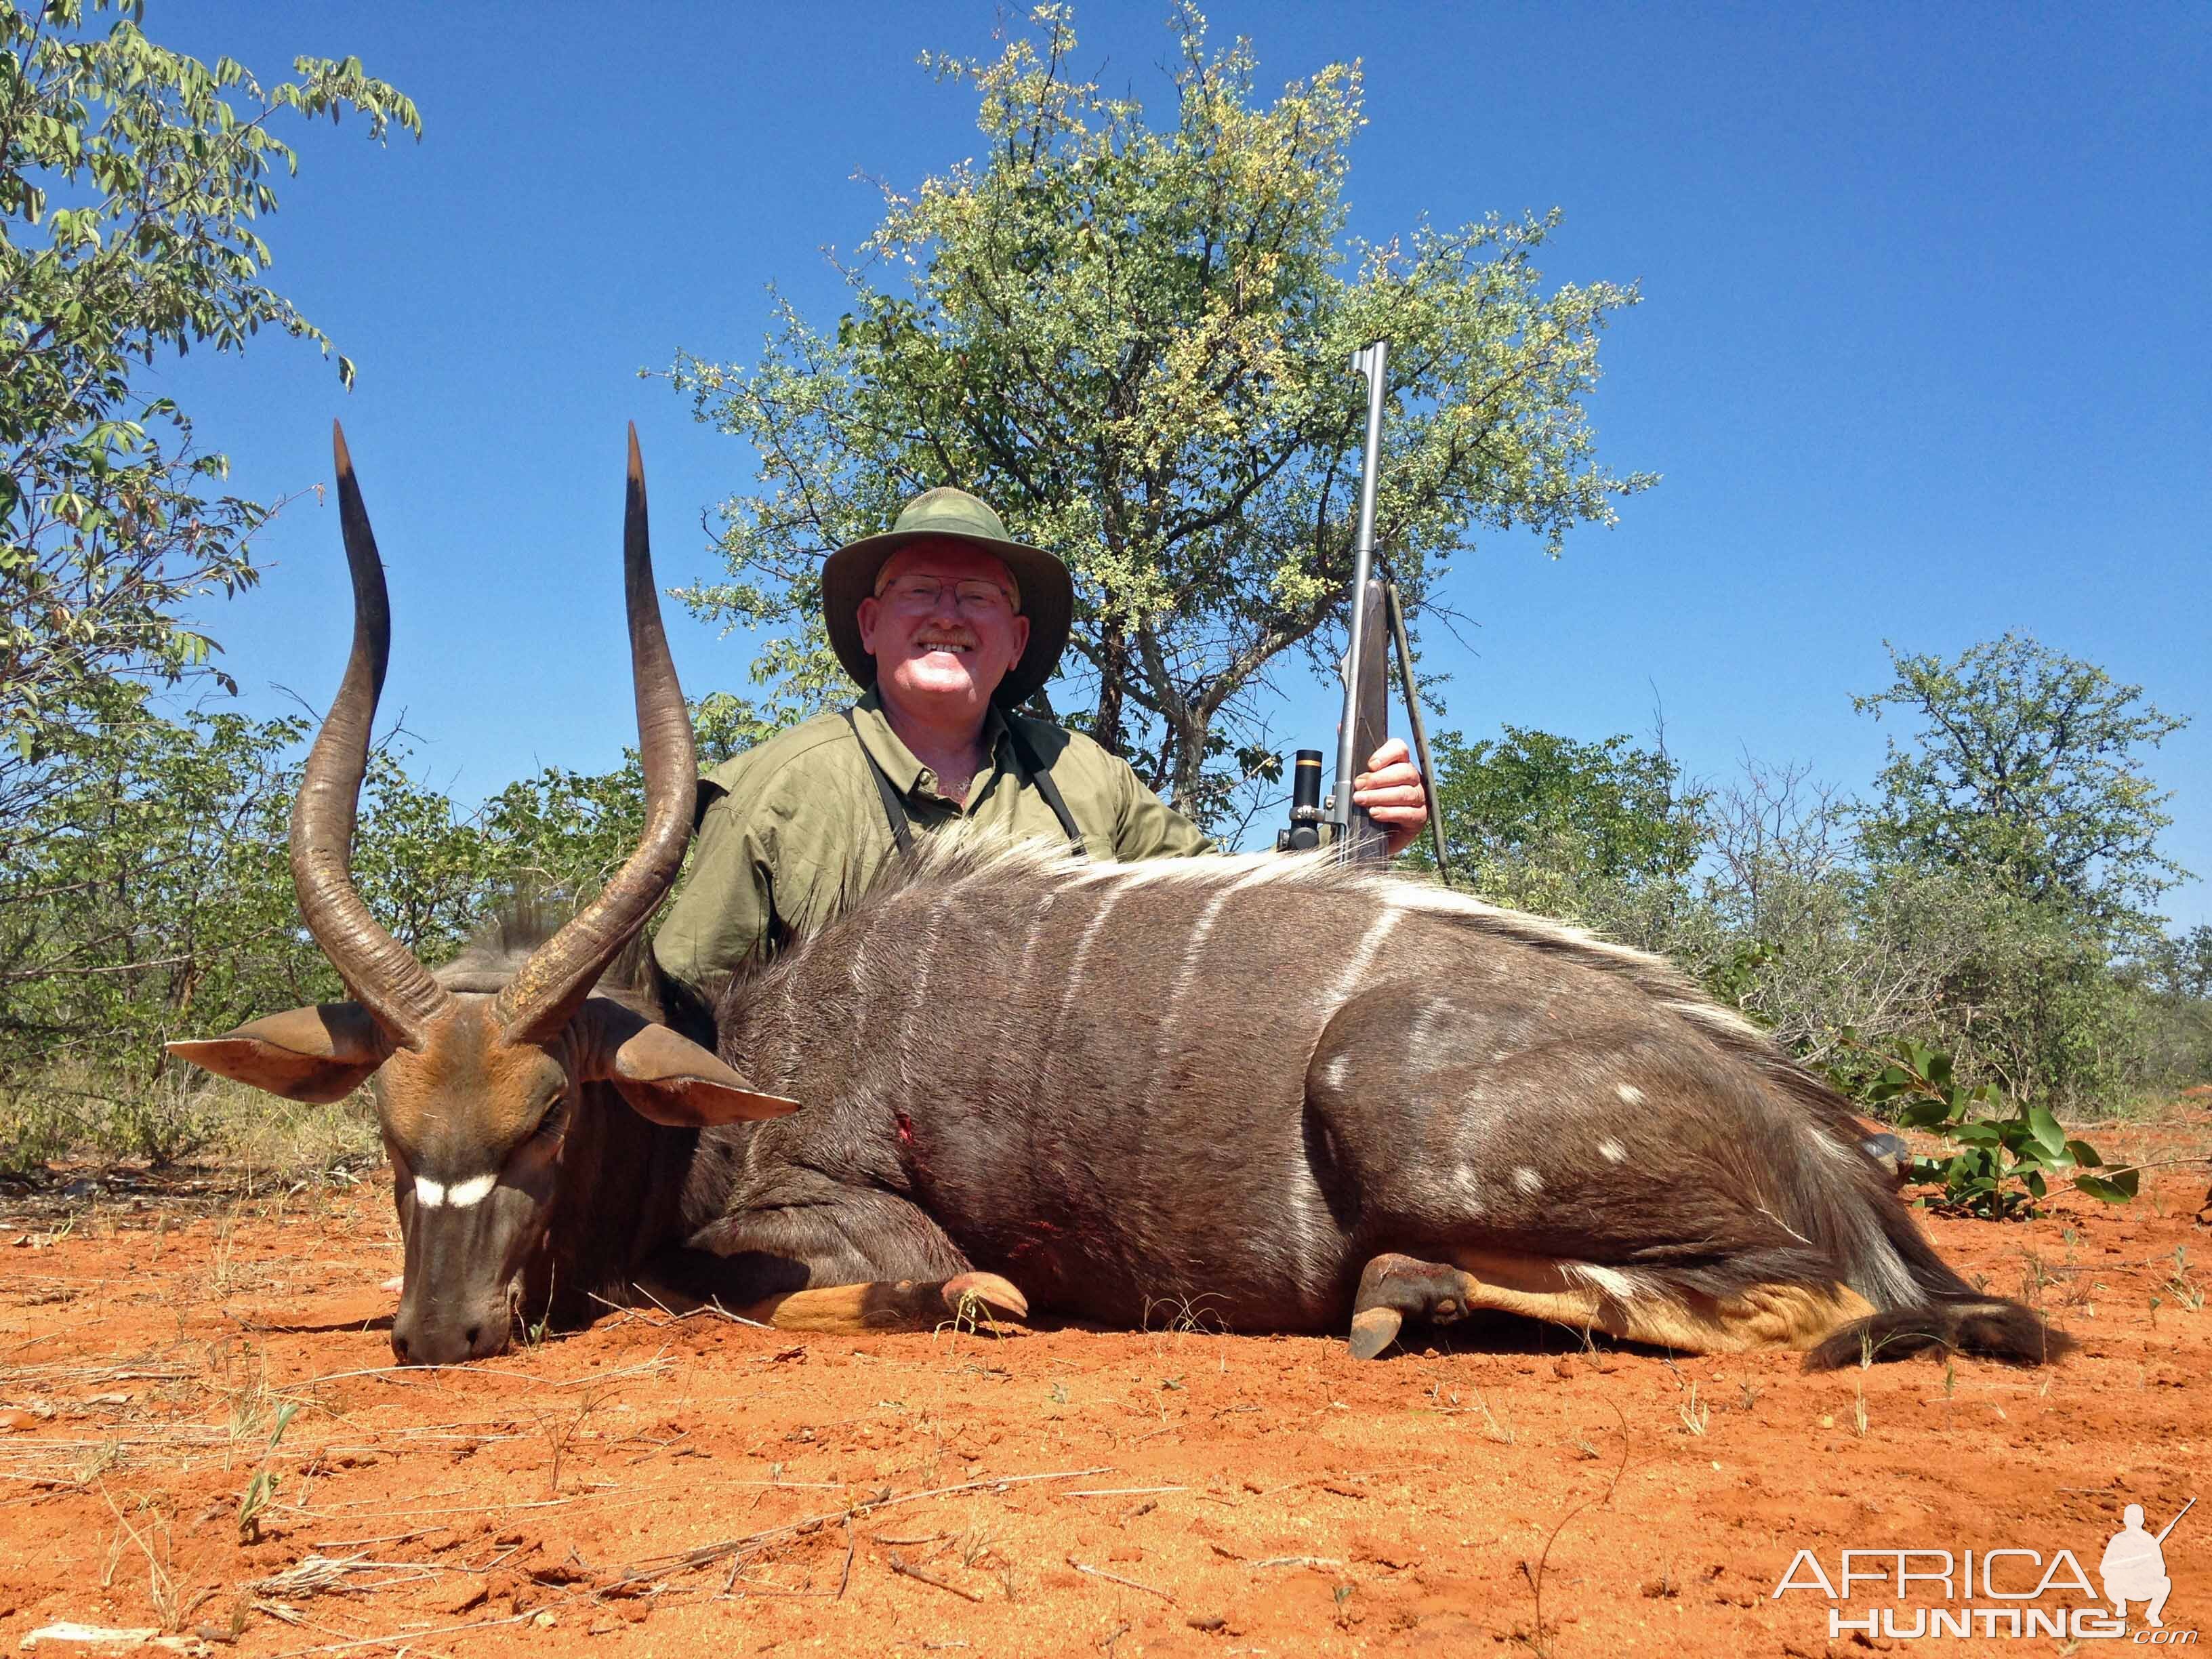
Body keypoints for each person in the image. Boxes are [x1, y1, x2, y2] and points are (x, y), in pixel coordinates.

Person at [651, 485, 1429, 998]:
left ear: (1017, 640)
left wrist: (1363, 842)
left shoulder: (1089, 778)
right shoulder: (775, 790)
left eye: (979, 597)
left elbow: (1228, 922)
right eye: (921, 590)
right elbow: (681, 1019)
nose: (949, 615)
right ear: (870, 625)